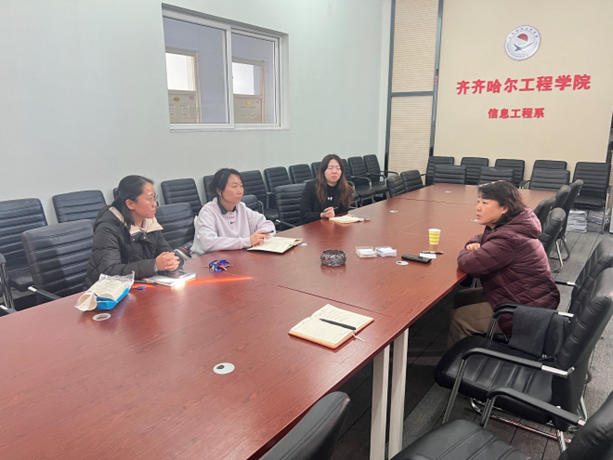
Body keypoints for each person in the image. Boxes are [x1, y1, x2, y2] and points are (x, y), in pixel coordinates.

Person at [448, 180, 560, 347]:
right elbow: (484, 237)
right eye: (478, 202)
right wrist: (474, 243)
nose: (478, 208)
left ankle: (462, 359)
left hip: (525, 310)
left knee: (459, 319)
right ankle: (475, 341)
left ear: (504, 208)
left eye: (485, 203)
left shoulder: (508, 240)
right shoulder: (512, 225)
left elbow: (468, 264)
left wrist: (466, 250)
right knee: (462, 296)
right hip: (526, 296)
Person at [84, 175, 179, 289]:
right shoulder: (107, 228)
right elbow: (108, 271)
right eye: (150, 199)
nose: (155, 204)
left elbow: (165, 250)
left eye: (154, 197)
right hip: (107, 292)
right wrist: (154, 265)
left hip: (140, 285)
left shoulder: (149, 221)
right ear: (130, 204)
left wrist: (171, 261)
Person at [191, 168, 275, 255]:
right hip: (209, 260)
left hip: (237, 255)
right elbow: (208, 242)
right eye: (234, 186)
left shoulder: (241, 207)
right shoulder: (208, 211)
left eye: (241, 186)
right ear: (219, 190)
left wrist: (260, 238)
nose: (240, 191)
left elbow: (268, 224)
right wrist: (248, 241)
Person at [299, 154, 354, 224]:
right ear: (323, 170)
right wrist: (322, 215)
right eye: (330, 168)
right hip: (313, 226)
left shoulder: (346, 188)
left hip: (336, 225)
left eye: (338, 168)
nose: (334, 171)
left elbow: (343, 213)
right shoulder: (311, 187)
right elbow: (304, 215)